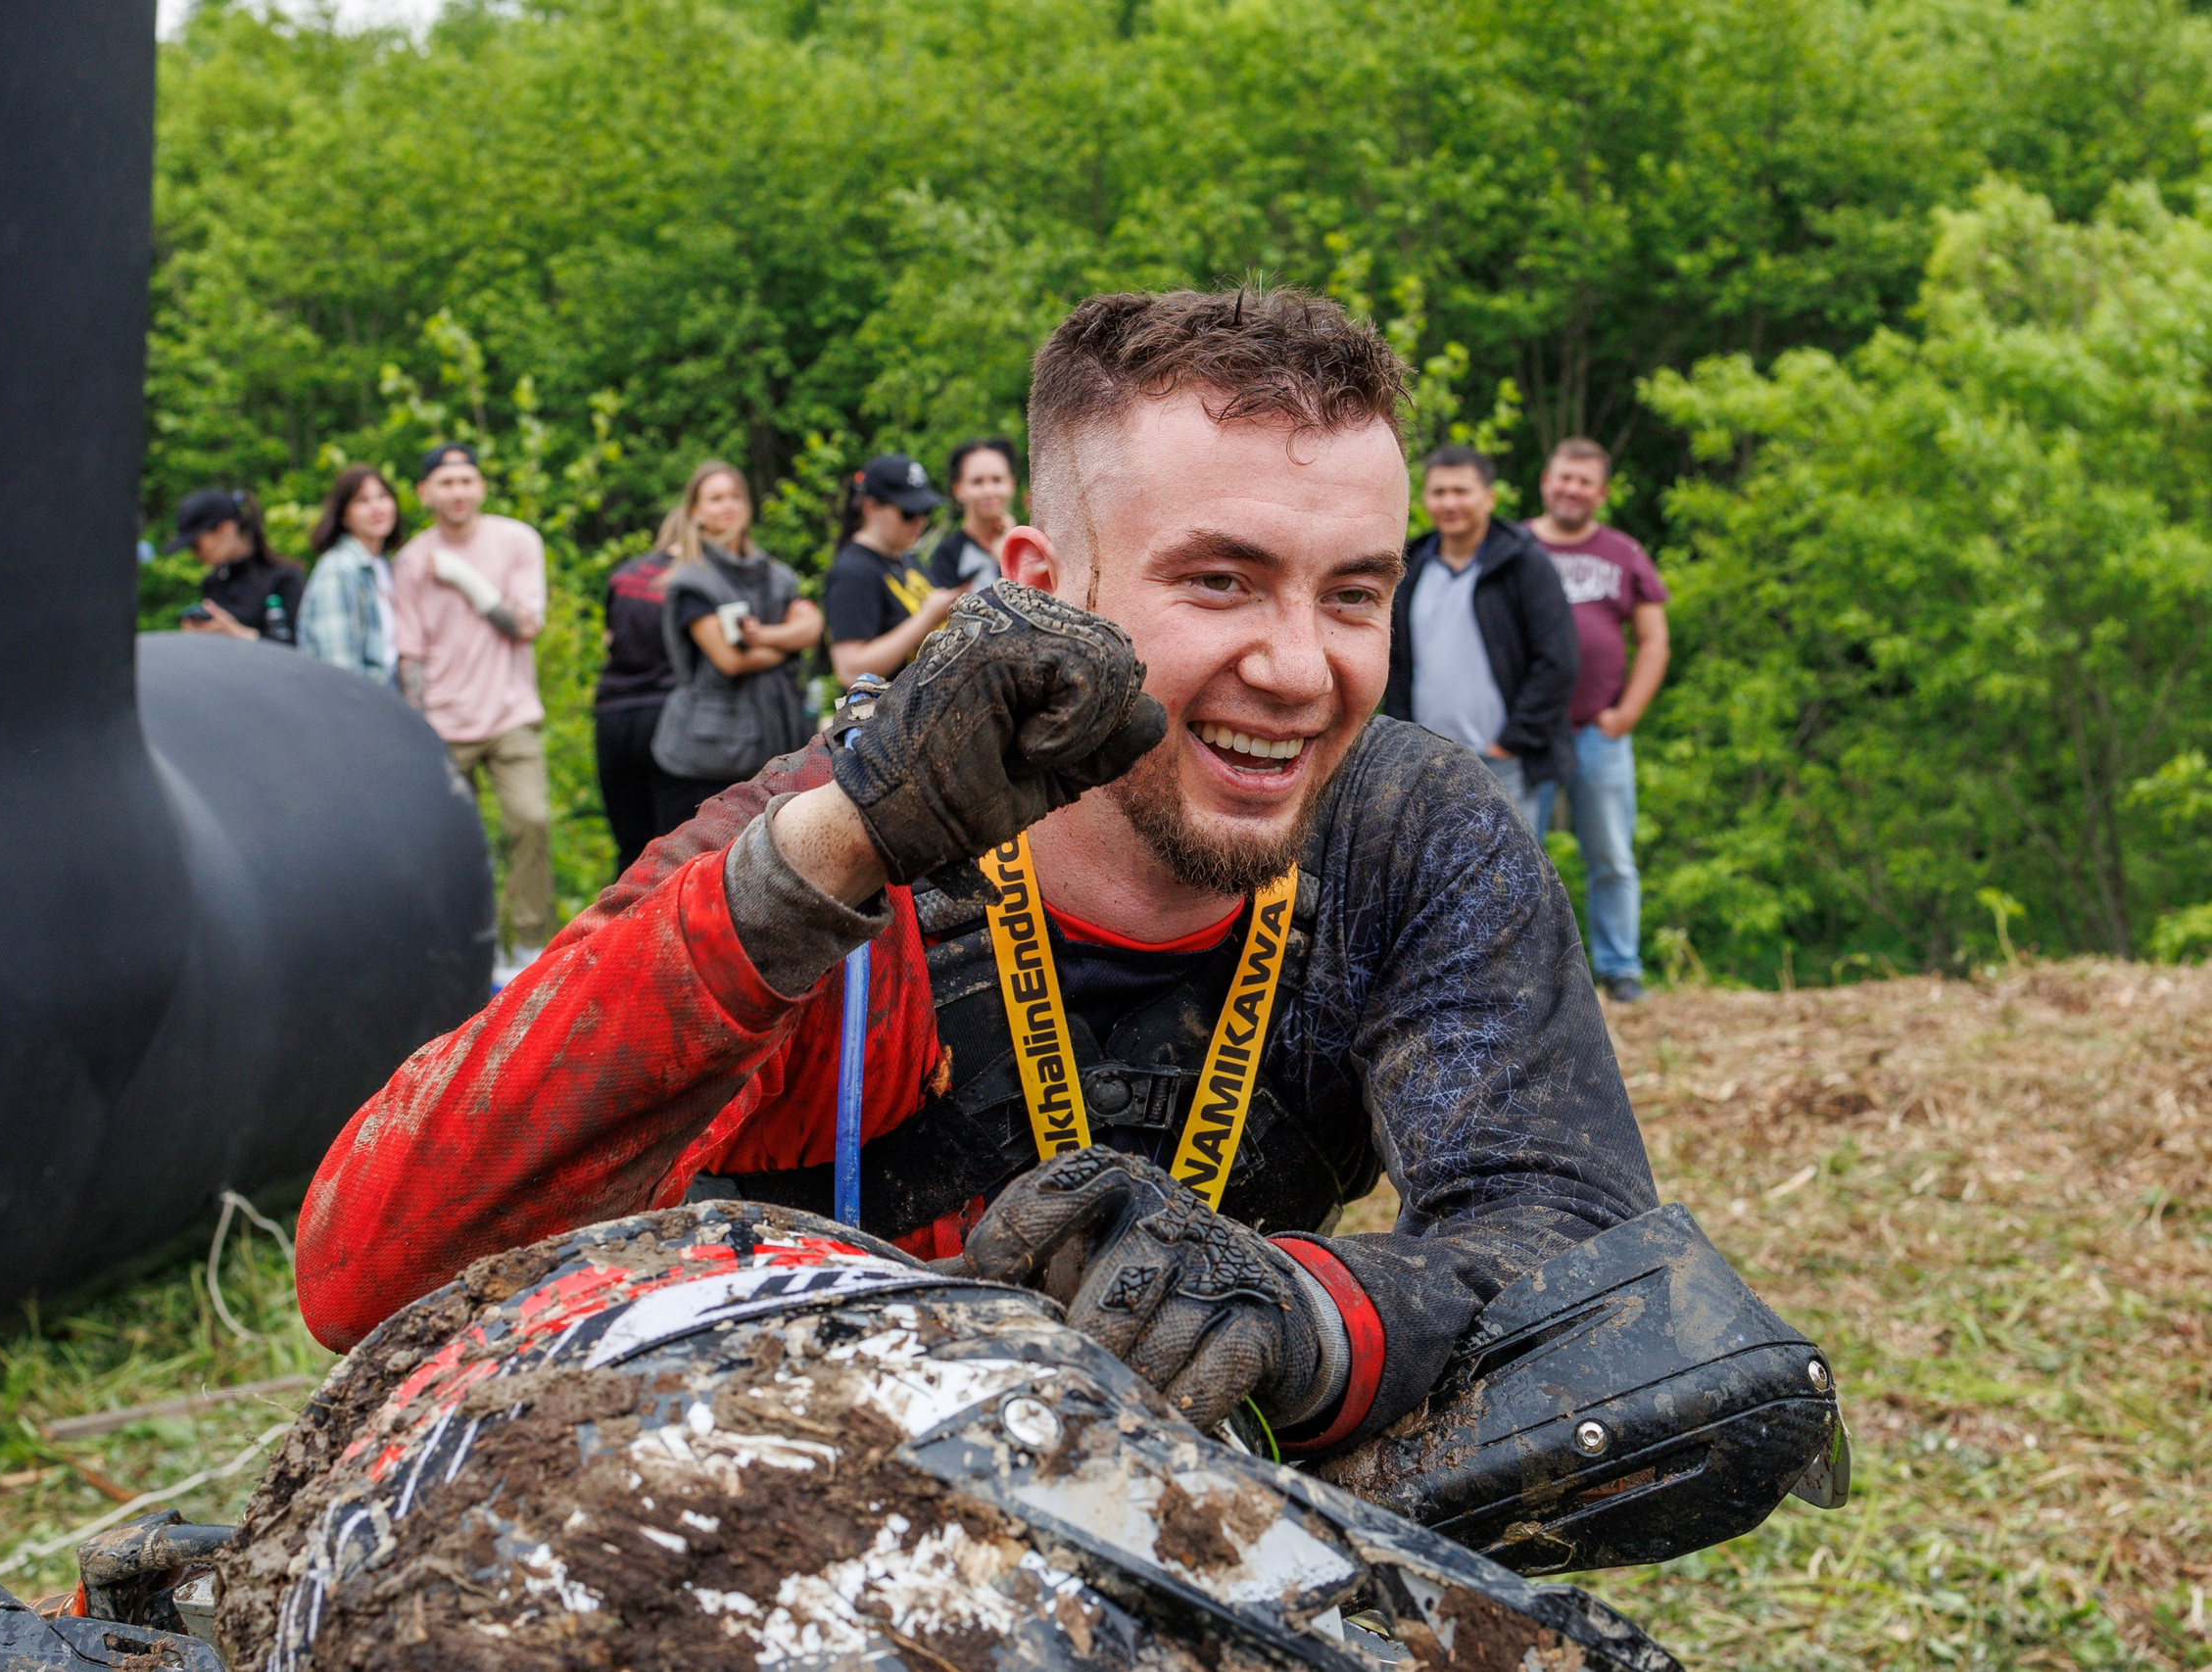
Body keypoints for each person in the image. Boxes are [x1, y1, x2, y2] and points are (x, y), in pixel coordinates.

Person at [295, 288, 1659, 1479]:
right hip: (797, 1518)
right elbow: (364, 1266)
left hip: (1168, 1527)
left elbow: (1590, 1264)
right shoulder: (832, 842)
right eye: (1221, 580)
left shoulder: (1400, 832)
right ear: (1042, 584)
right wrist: (835, 857)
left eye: (1354, 594)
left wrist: (1290, 1311)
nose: (1302, 668)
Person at [390, 442, 553, 983]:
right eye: (446, 482)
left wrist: (464, 578)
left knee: (530, 820)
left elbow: (526, 625)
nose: (457, 491)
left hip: (509, 714)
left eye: (466, 480)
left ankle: (528, 946)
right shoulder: (411, 559)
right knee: (448, 842)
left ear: (481, 486)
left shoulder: (517, 540)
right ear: (425, 493)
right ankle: (460, 947)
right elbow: (408, 653)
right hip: (441, 721)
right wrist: (417, 730)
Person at [1526, 438, 1670, 1003]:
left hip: (1598, 734)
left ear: (1601, 493)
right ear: (1545, 480)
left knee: (1610, 855)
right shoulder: (1513, 547)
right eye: (1565, 477)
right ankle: (1523, 976)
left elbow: (1655, 641)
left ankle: (1620, 969)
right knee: (1516, 856)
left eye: (1585, 481)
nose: (1572, 489)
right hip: (1528, 735)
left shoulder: (1625, 553)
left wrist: (1628, 712)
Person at [1380, 447, 1577, 811]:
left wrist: (1512, 742)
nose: (1449, 502)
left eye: (1461, 491)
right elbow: (1395, 662)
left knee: (1511, 869)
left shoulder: (1525, 565)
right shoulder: (1407, 568)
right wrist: (1404, 739)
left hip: (1505, 762)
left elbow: (1558, 660)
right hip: (1428, 763)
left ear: (1489, 498)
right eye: (1439, 492)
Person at [645, 460, 824, 838]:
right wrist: (788, 645)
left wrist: (765, 637)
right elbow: (730, 659)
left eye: (735, 496)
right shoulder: (693, 581)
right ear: (695, 512)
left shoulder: (778, 575)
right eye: (715, 498)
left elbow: (812, 626)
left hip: (778, 744)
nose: (727, 505)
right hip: (703, 757)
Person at [823, 454, 960, 680]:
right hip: (884, 713)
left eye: (925, 511)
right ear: (871, 508)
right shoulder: (852, 572)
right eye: (908, 513)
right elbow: (850, 671)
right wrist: (927, 617)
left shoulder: (905, 558)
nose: (920, 522)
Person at [595, 546, 681, 877]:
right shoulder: (700, 577)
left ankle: (620, 926)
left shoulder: (624, 574)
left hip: (614, 713)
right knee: (672, 848)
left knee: (630, 849)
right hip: (669, 714)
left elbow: (609, 637)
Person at [296, 465, 402, 683]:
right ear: (343, 516)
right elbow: (340, 670)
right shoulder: (338, 570)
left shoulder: (383, 565)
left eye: (382, 496)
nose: (376, 508)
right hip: (360, 703)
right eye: (362, 501)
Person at [168, 488, 306, 644]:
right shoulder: (213, 583)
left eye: (196, 545)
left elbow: (298, 649)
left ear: (226, 529)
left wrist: (235, 632)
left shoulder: (284, 578)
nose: (195, 554)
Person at [927, 437, 1019, 594]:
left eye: (997, 480)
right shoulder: (947, 555)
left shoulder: (1029, 546)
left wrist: (1008, 554)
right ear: (958, 490)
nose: (988, 491)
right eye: (977, 482)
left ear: (1012, 484)